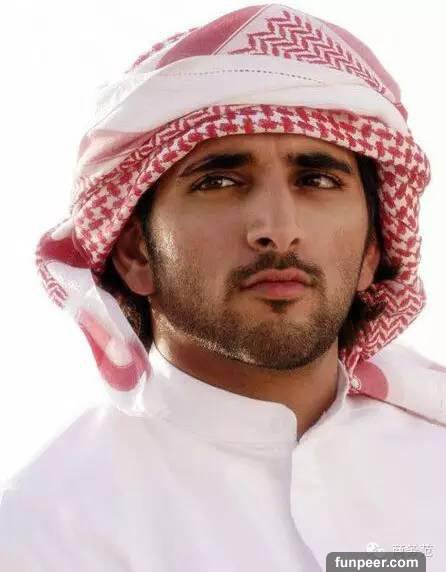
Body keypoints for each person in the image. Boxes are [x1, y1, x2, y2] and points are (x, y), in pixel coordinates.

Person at [1, 4, 445, 570]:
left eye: (316, 179)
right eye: (219, 181)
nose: (278, 229)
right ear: (136, 253)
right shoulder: (47, 534)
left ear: (372, 252)